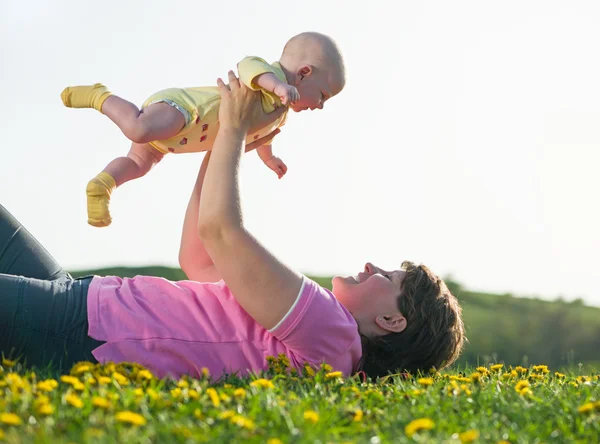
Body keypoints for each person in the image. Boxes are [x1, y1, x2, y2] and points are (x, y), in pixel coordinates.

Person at [0, 72, 465, 381]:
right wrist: (224, 139)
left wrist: (237, 130)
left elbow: (223, 231)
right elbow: (201, 256)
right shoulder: (316, 334)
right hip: (87, 303)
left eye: (389, 278)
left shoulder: (333, 333)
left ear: (391, 321)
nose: (371, 265)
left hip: (81, 330)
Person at [60, 32, 345, 227]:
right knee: (138, 129)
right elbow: (248, 67)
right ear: (304, 73)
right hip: (185, 110)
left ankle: (103, 186)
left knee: (138, 163)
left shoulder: (279, 115)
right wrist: (278, 85)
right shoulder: (265, 76)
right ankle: (99, 96)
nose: (320, 106)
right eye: (322, 95)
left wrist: (268, 159)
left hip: (175, 141)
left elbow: (260, 137)